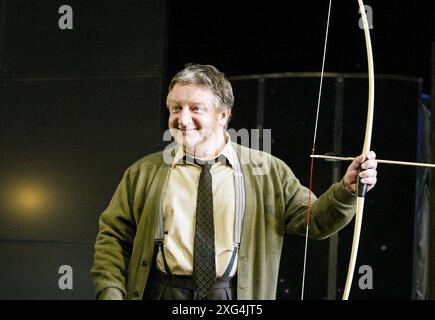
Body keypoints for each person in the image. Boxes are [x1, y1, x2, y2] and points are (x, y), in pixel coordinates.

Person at [91, 63, 378, 300]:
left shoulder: (268, 171)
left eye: (196, 108)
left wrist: (346, 191)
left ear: (224, 115)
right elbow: (113, 238)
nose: (182, 118)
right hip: (162, 292)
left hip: (232, 296)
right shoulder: (143, 172)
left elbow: (315, 221)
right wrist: (111, 293)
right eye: (176, 108)